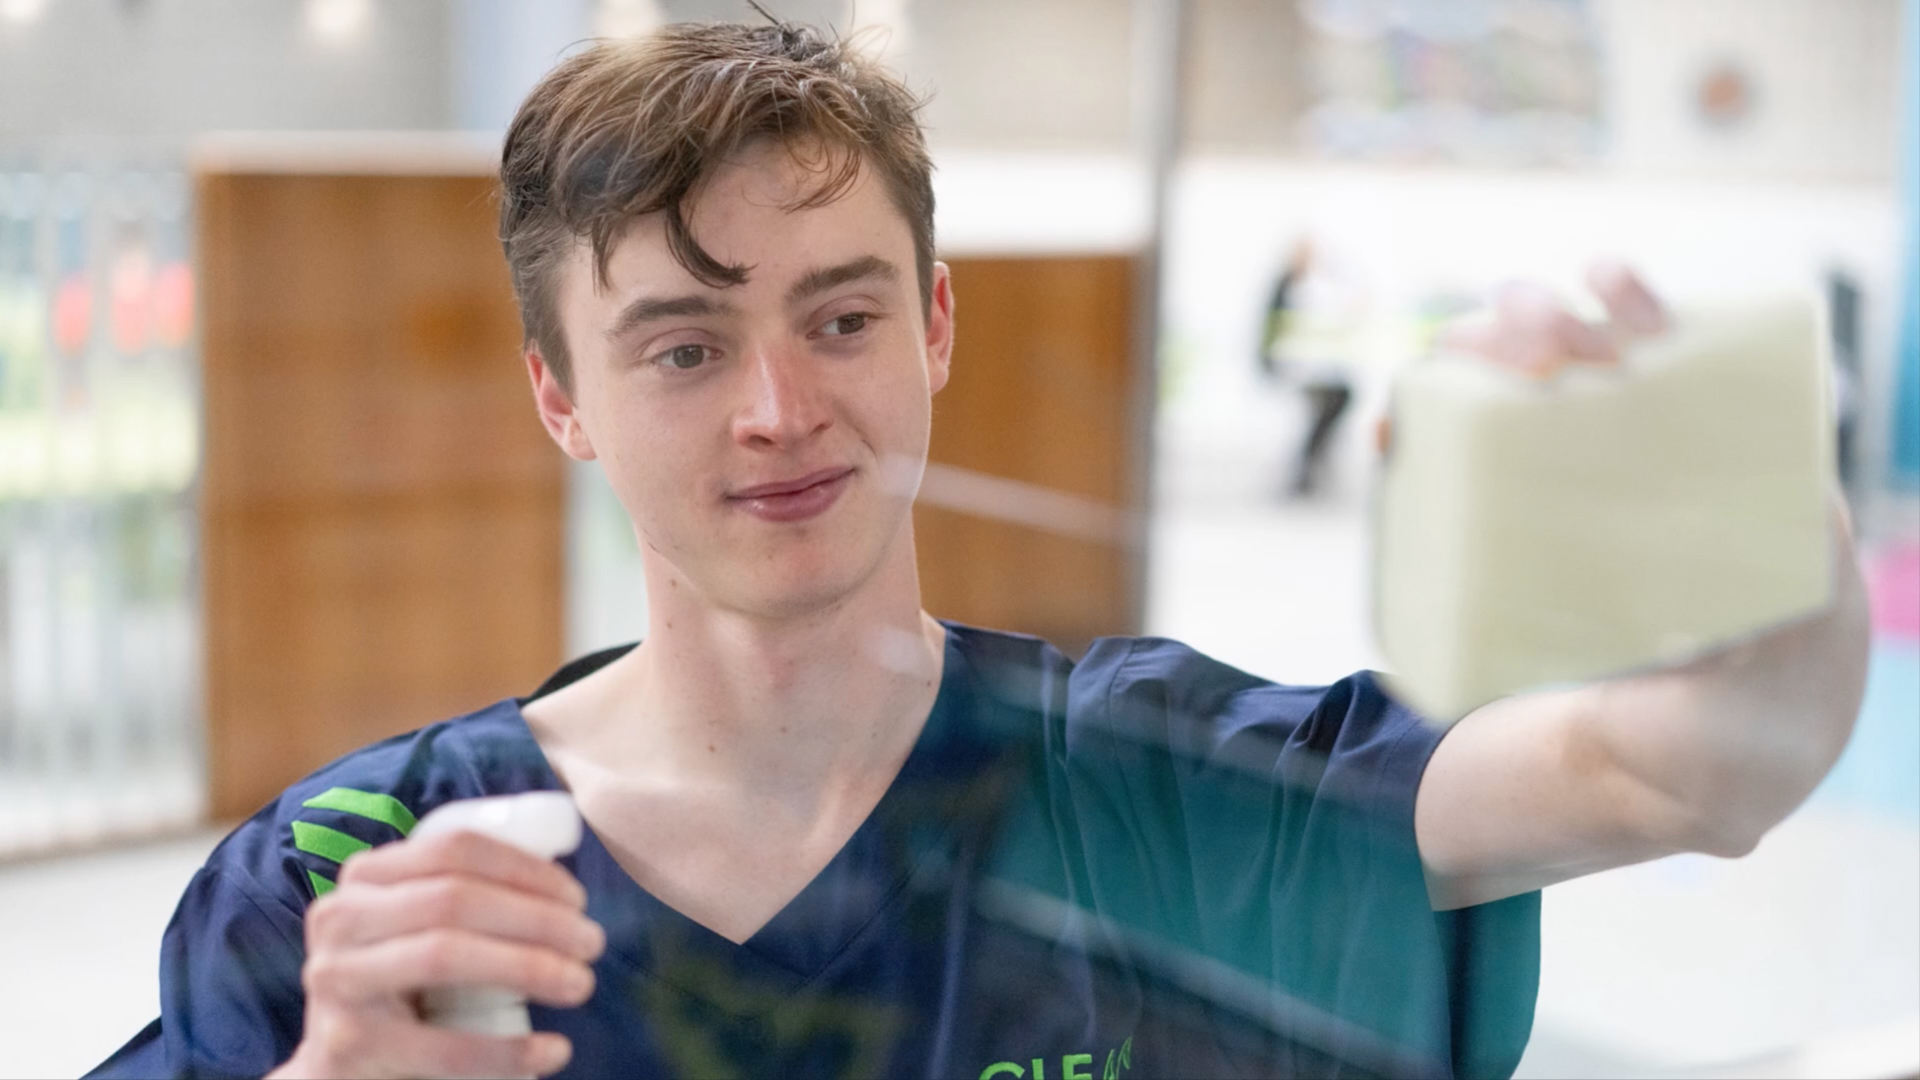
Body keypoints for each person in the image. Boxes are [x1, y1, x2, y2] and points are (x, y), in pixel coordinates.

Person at [90, 20, 1870, 1080]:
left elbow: (1693, 769)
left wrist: (1732, 501)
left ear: (936, 325)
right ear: (561, 394)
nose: (782, 408)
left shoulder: (1162, 792)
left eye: (841, 318)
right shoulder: (362, 885)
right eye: (685, 349)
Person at [1257, 238, 1361, 499]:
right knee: (1332, 398)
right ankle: (1305, 468)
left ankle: (1310, 464)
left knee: (1340, 395)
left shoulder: (1313, 286)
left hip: (1308, 363)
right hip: (1286, 364)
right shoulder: (1287, 287)